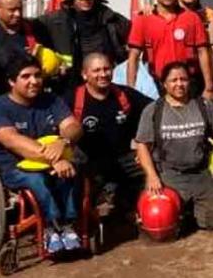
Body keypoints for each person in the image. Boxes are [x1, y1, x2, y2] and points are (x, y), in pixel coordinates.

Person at [0, 56, 84, 253]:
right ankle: (51, 226)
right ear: (11, 81)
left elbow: (73, 126)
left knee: (72, 171)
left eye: (37, 75)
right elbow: (13, 142)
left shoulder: (51, 100)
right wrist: (56, 159)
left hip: (51, 161)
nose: (34, 81)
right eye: (25, 76)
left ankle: (69, 225)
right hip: (12, 167)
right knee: (37, 179)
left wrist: (64, 141)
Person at [135, 61, 213, 231]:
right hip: (168, 175)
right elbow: (142, 145)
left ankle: (191, 211)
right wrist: (151, 176)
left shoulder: (203, 105)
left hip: (201, 173)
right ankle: (180, 211)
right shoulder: (153, 110)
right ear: (164, 84)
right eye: (173, 80)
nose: (179, 84)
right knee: (160, 219)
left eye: (183, 79)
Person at [64, 53, 152, 213]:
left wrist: (144, 144)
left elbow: (155, 110)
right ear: (85, 74)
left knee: (154, 162)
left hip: (125, 159)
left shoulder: (125, 94)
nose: (103, 74)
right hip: (89, 164)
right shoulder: (72, 99)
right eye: (96, 70)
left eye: (106, 69)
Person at [127, 0, 213, 100]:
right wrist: (131, 90)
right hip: (160, 84)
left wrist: (209, 87)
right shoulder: (143, 20)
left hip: (191, 82)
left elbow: (203, 52)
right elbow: (133, 56)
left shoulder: (192, 18)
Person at [35, 0, 130, 86]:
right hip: (69, 85)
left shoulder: (110, 18)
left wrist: (149, 13)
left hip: (105, 82)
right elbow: (25, 33)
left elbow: (137, 36)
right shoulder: (54, 21)